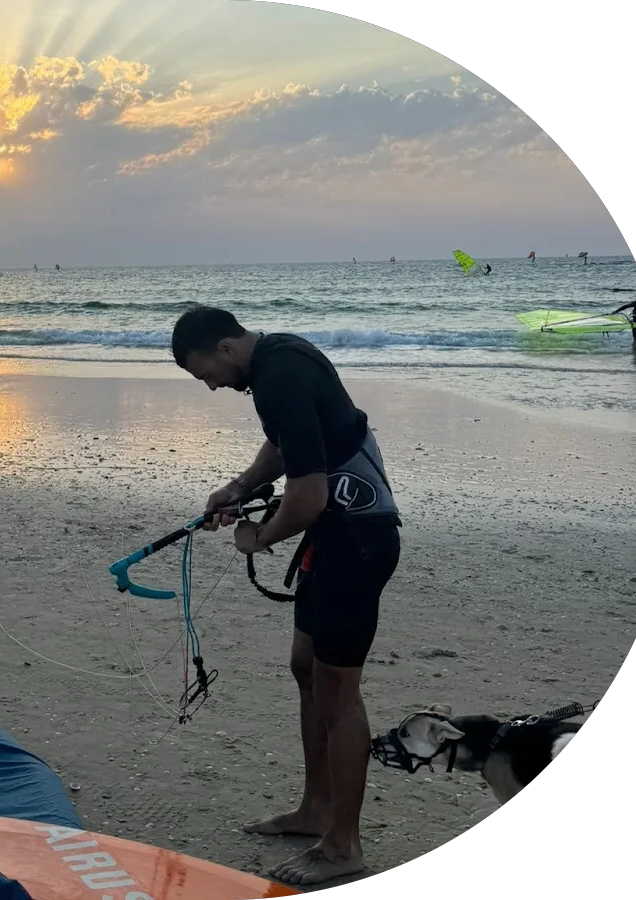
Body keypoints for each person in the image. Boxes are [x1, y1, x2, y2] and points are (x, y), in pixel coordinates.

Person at [170, 306, 402, 887]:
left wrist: (259, 538)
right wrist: (239, 487)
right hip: (333, 541)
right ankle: (316, 810)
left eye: (205, 374)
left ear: (226, 348)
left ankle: (344, 846)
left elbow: (308, 497)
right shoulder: (276, 361)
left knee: (338, 692)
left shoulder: (281, 376)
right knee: (306, 667)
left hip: (358, 544)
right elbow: (284, 446)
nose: (211, 386)